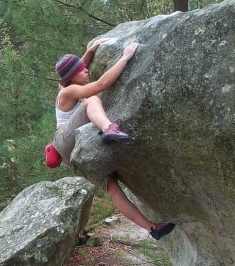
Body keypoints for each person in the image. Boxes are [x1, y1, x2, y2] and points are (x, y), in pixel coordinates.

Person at [52, 39, 175, 241]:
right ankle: (108, 128)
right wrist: (126, 57)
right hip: (64, 138)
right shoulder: (69, 91)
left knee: (112, 187)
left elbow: (71, 72)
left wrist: (90, 50)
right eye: (82, 69)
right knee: (92, 98)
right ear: (72, 76)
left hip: (68, 152)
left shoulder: (65, 86)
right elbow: (102, 84)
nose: (87, 70)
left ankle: (152, 228)